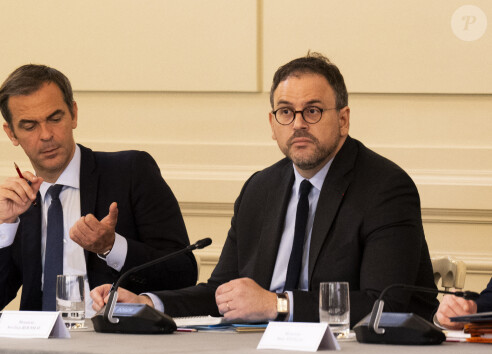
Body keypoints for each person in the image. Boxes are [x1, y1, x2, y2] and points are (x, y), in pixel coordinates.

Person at [90, 52, 438, 325]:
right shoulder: (260, 188)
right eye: (286, 112)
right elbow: (222, 293)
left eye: (313, 111)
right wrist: (148, 302)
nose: (299, 123)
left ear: (343, 120)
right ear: (273, 125)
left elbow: (384, 301)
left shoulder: (385, 188)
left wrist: (277, 305)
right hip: (265, 349)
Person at [0, 64, 197, 317]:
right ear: (11, 133)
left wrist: (112, 247)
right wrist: (2, 224)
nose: (46, 135)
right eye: (30, 126)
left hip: (115, 342)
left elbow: (183, 274)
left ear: (73, 114)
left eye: (55, 119)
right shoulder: (16, 205)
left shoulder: (130, 173)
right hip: (37, 347)